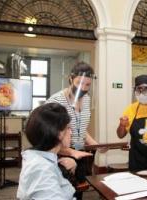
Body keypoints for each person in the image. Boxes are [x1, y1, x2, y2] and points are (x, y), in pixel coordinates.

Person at [46, 62, 103, 197]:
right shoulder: (56, 101)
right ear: (71, 79)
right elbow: (47, 135)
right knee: (61, 193)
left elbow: (81, 129)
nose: (83, 88)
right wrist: (68, 151)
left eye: (87, 85)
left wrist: (95, 144)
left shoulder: (87, 99)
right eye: (79, 83)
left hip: (80, 153)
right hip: (60, 156)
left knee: (78, 191)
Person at [17, 103, 76, 200]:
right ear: (58, 133)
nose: (71, 132)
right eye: (68, 128)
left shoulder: (41, 158)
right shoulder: (41, 170)